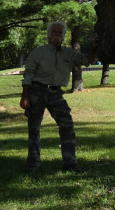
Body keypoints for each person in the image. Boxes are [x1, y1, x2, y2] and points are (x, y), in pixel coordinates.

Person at [19, 21, 99, 173]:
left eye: (60, 33)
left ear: (63, 36)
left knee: (67, 125)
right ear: (49, 35)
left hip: (56, 93)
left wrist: (94, 47)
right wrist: (25, 96)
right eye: (54, 32)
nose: (57, 35)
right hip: (37, 91)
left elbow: (87, 61)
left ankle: (70, 164)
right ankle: (33, 164)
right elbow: (28, 74)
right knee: (34, 128)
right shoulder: (38, 52)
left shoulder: (69, 53)